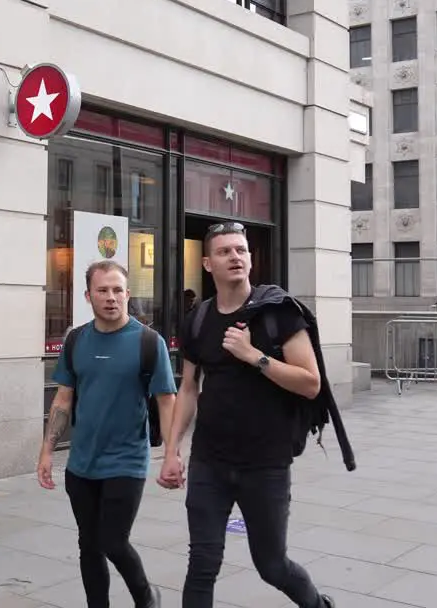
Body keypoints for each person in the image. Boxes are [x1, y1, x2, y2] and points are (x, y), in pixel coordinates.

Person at [159, 222, 336, 608]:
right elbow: (188, 388)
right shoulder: (198, 319)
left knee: (272, 566)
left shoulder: (278, 313)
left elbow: (310, 383)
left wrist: (254, 356)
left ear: (251, 258)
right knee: (202, 563)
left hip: (265, 465)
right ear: (207, 264)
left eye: (241, 250)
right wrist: (171, 451)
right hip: (210, 462)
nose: (235, 257)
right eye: (224, 252)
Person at [38, 259, 177, 608]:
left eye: (118, 290)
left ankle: (146, 598)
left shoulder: (149, 342)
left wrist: (172, 454)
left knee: (113, 541)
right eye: (103, 290)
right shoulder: (76, 341)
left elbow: (166, 399)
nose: (111, 297)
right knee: (89, 544)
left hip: (127, 461)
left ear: (128, 294)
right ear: (89, 296)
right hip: (82, 463)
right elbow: (64, 399)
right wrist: (46, 451)